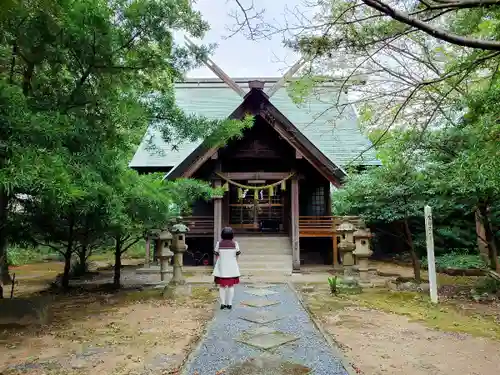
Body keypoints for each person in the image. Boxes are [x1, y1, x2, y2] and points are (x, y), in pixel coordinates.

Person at [212, 227, 241, 310]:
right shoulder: (235, 244)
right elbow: (237, 255)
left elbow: (216, 254)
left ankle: (222, 303)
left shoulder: (219, 243)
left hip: (222, 268)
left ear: (222, 235)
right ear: (232, 235)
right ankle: (230, 304)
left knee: (222, 286)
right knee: (231, 286)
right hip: (232, 267)